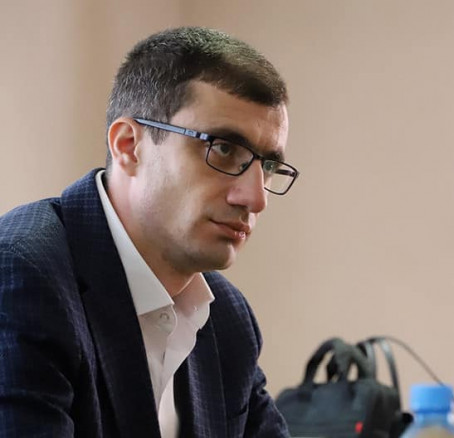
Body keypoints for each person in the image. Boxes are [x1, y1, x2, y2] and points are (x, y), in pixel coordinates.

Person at [0, 27, 298, 437]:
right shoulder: (21, 276)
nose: (255, 198)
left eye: (267, 166)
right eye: (224, 149)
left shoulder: (228, 318)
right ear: (129, 146)